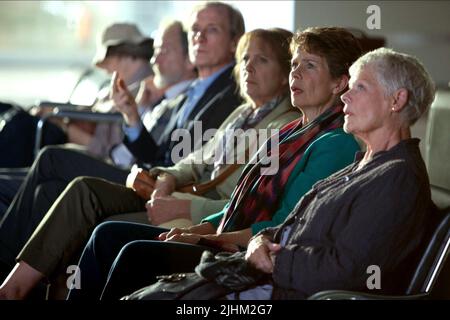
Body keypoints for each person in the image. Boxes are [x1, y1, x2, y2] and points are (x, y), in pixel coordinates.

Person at [65, 26, 364, 300]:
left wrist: (208, 236)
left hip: (247, 256)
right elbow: (238, 202)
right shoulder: (290, 131)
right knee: (107, 235)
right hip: (229, 236)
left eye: (309, 65)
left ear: (339, 83)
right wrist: (202, 229)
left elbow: (282, 226)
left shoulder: (335, 143)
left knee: (133, 252)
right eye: (295, 63)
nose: (295, 73)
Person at [0, 1, 247, 299]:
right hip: (152, 176)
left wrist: (165, 177)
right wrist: (132, 115)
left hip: (168, 187)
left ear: (234, 42)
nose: (199, 37)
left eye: (212, 30)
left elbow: (187, 160)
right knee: (48, 189)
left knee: (53, 160)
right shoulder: (195, 90)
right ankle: (31, 283)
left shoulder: (232, 92)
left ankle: (6, 267)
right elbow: (158, 152)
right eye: (195, 29)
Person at [0, 20, 196, 277]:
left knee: (48, 156)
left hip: (131, 172)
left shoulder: (160, 92)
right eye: (156, 49)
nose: (155, 57)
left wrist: (128, 114)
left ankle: (4, 259)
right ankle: (19, 272)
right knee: (44, 187)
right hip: (127, 164)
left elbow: (151, 156)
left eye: (164, 50)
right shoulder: (164, 96)